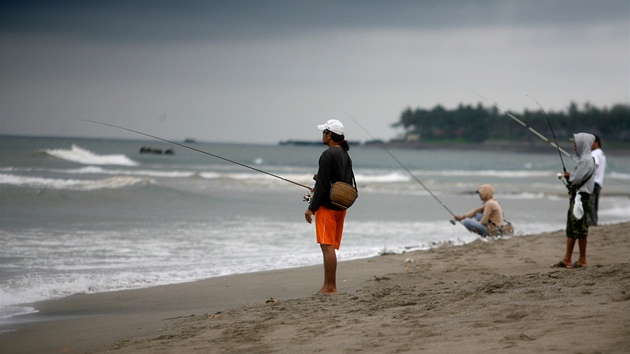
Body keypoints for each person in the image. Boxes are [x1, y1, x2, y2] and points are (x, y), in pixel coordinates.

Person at [304, 119, 354, 295]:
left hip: (327, 206)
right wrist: (320, 179)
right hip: (341, 205)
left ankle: (331, 287)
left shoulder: (327, 155)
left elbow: (325, 185)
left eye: (324, 132)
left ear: (329, 135)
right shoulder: (344, 154)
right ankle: (327, 285)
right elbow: (340, 179)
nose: (322, 135)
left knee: (327, 246)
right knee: (329, 246)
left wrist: (312, 208)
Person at [552, 133, 596, 269]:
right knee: (571, 228)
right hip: (578, 196)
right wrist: (571, 175)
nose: (574, 146)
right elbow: (578, 177)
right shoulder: (586, 159)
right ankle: (567, 259)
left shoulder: (586, 160)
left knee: (580, 229)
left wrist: (570, 178)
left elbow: (576, 180)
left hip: (581, 198)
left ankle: (582, 260)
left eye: (576, 144)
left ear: (583, 144)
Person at [587, 134, 606, 226]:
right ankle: (594, 223)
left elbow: (595, 164)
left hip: (593, 183)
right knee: (594, 206)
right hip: (599, 183)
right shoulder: (601, 153)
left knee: (590, 206)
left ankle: (592, 224)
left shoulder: (594, 153)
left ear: (596, 142)